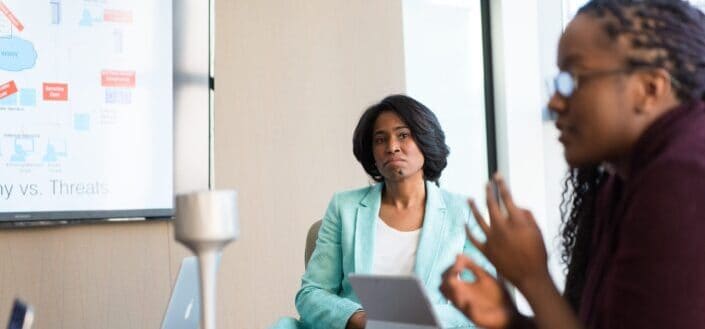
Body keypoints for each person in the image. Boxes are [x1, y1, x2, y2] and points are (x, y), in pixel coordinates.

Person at [440, 1, 705, 328]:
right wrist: (511, 320)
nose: (554, 102)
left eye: (575, 78)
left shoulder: (684, 177)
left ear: (650, 88)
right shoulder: (620, 180)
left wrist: (533, 279)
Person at [292, 94, 493, 329]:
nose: (392, 147)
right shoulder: (343, 208)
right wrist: (359, 319)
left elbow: (482, 304)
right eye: (380, 139)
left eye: (403, 135)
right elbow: (311, 294)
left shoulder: (463, 213)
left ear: (425, 141)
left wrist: (414, 320)